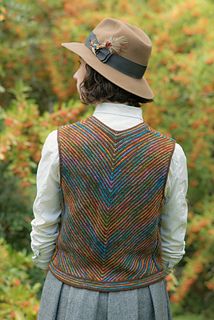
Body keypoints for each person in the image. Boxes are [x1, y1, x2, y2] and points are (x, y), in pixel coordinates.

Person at [30, 17, 188, 320]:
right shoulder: (171, 153)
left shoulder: (59, 142)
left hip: (68, 291)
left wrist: (62, 276)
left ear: (95, 74)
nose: (77, 73)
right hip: (143, 295)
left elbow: (44, 228)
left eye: (81, 65)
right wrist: (141, 279)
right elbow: (172, 244)